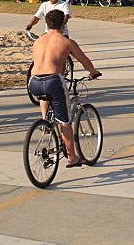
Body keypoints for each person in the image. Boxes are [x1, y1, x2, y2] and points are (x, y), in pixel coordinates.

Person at [29, 9, 100, 167]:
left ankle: (45, 121)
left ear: (47, 24)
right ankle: (72, 158)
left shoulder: (38, 41)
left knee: (45, 97)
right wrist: (93, 72)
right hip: (53, 81)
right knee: (65, 122)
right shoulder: (66, 41)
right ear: (63, 23)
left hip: (33, 82)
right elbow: (84, 60)